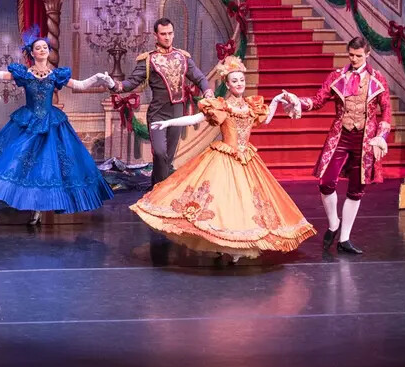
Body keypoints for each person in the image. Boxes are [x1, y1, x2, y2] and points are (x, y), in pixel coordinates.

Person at [129, 56, 315, 263]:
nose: (239, 84)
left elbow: (265, 119)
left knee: (245, 203)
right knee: (222, 202)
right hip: (225, 157)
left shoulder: (251, 105)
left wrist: (277, 102)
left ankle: (237, 242)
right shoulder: (221, 106)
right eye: (234, 81)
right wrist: (167, 123)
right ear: (227, 84)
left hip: (246, 158)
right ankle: (223, 243)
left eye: (241, 80)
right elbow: (195, 119)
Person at [0, 27, 115, 224]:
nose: (42, 50)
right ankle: (27, 202)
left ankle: (40, 207)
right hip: (27, 121)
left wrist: (98, 78)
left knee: (49, 166)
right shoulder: (24, 74)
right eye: (38, 48)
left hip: (51, 123)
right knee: (19, 160)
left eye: (45, 47)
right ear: (32, 52)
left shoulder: (56, 75)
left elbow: (80, 85)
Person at [280, 37, 393, 255]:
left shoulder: (377, 79)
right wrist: (297, 102)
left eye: (359, 55)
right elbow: (318, 100)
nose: (354, 59)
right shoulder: (337, 76)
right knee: (326, 181)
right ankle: (333, 223)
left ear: (367, 55)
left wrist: (382, 136)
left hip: (365, 140)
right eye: (351, 55)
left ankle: (345, 239)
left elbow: (386, 109)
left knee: (356, 189)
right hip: (340, 136)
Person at [107, 18, 213, 185]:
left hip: (177, 113)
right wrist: (114, 85)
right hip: (158, 113)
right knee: (160, 152)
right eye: (163, 34)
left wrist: (207, 91)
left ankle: (156, 190)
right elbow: (131, 83)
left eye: (170, 33)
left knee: (167, 157)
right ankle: (159, 191)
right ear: (155, 35)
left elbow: (199, 77)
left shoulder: (182, 57)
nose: (167, 37)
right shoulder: (149, 60)